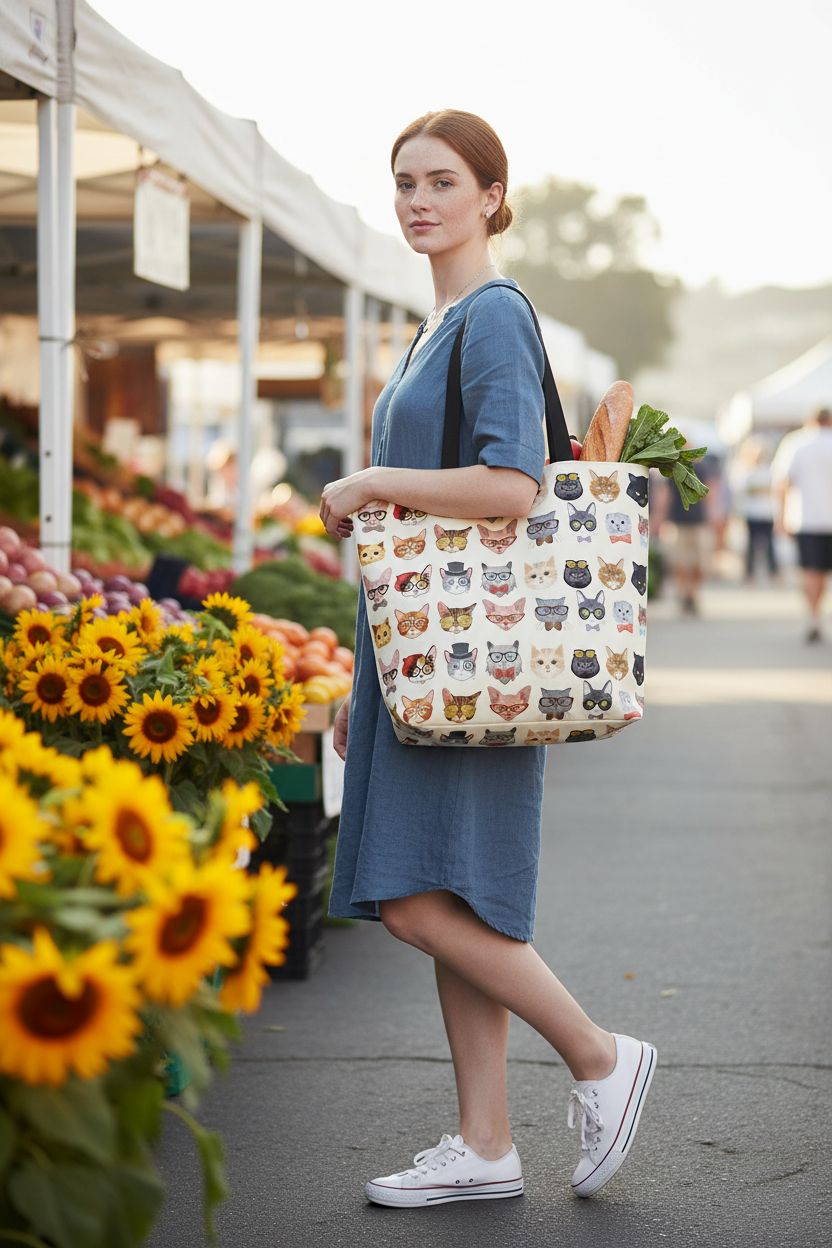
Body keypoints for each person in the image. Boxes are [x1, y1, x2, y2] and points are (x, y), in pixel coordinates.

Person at [318, 109, 656, 1208]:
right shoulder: (439, 324)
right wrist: (358, 668)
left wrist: (372, 484)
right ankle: (486, 1143)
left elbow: (514, 487)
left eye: (443, 181)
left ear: (491, 197)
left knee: (421, 903)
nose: (420, 199)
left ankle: (601, 1058)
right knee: (457, 898)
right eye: (405, 181)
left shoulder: (495, 316)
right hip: (427, 655)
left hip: (478, 651)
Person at [771, 407, 832, 643]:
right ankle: (816, 616)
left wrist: (781, 517)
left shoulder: (796, 443)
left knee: (811, 572)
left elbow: (782, 483)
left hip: (806, 519)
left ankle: (813, 616)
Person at [652, 445, 720, 615]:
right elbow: (665, 494)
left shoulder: (701, 467)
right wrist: (660, 517)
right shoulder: (672, 468)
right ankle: (684, 592)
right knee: (679, 561)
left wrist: (713, 515)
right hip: (677, 520)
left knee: (699, 562)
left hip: (698, 520)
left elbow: (709, 491)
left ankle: (692, 593)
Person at [727, 436, 779, 583]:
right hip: (751, 513)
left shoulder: (768, 469)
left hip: (767, 512)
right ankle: (749, 573)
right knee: (750, 545)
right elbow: (739, 491)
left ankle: (773, 572)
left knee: (770, 545)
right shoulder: (744, 470)